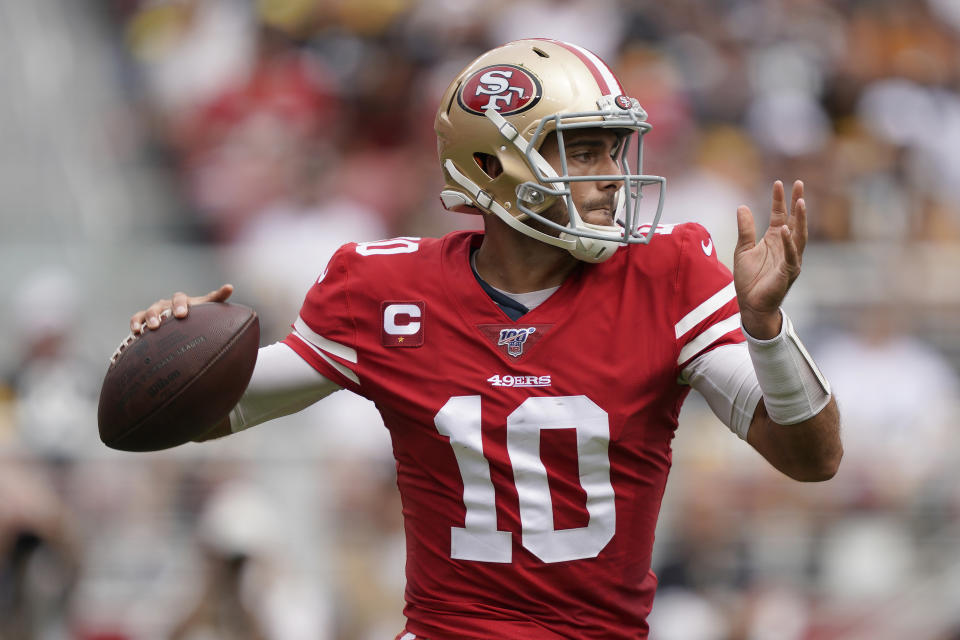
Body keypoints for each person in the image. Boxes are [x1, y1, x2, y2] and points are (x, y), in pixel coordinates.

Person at [129, 39, 841, 640]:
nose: (610, 181)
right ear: (493, 166)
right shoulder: (383, 290)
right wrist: (175, 356)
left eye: (614, 152)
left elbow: (812, 457)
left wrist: (767, 331)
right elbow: (200, 411)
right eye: (581, 154)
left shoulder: (669, 274)